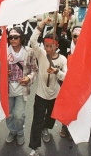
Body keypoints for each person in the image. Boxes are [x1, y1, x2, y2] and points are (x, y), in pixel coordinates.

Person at [28, 17, 67, 156]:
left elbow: (66, 77)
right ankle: (34, 148)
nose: (48, 48)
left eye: (51, 46)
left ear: (56, 46)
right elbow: (33, 40)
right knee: (36, 121)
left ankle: (47, 128)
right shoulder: (41, 53)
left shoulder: (62, 60)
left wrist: (57, 71)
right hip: (40, 95)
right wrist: (42, 23)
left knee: (51, 117)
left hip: (55, 95)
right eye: (46, 45)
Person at [5, 27, 38, 146]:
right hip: (7, 89)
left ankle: (19, 132)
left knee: (19, 115)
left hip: (21, 89)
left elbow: (35, 70)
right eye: (10, 37)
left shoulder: (29, 52)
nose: (12, 39)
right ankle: (12, 131)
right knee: (8, 114)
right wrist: (4, 72)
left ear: (21, 38)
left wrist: (28, 78)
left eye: (15, 37)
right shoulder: (4, 51)